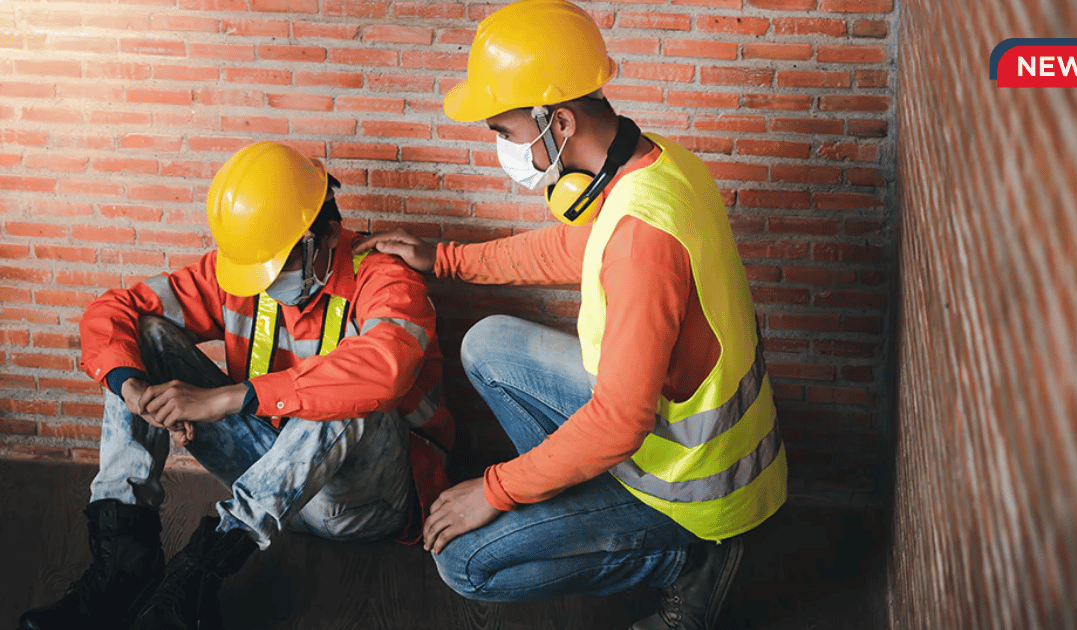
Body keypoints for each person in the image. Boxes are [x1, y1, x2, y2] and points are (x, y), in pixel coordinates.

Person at [355, 1, 787, 628]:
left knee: (466, 564)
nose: (502, 149)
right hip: (672, 440)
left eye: (504, 132)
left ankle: (686, 559)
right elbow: (573, 246)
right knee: (488, 345)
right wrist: (442, 258)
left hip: (691, 486)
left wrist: (494, 489)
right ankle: (581, 500)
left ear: (555, 122)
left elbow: (618, 425)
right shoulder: (653, 165)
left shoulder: (643, 238)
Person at [19, 141, 453, 630]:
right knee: (143, 336)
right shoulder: (239, 274)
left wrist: (225, 398)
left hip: (359, 502)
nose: (265, 284)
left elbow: (383, 369)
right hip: (270, 473)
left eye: (281, 265)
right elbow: (113, 310)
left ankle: (197, 575)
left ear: (327, 233)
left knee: (354, 387)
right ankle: (124, 565)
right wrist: (134, 390)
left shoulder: (384, 277)